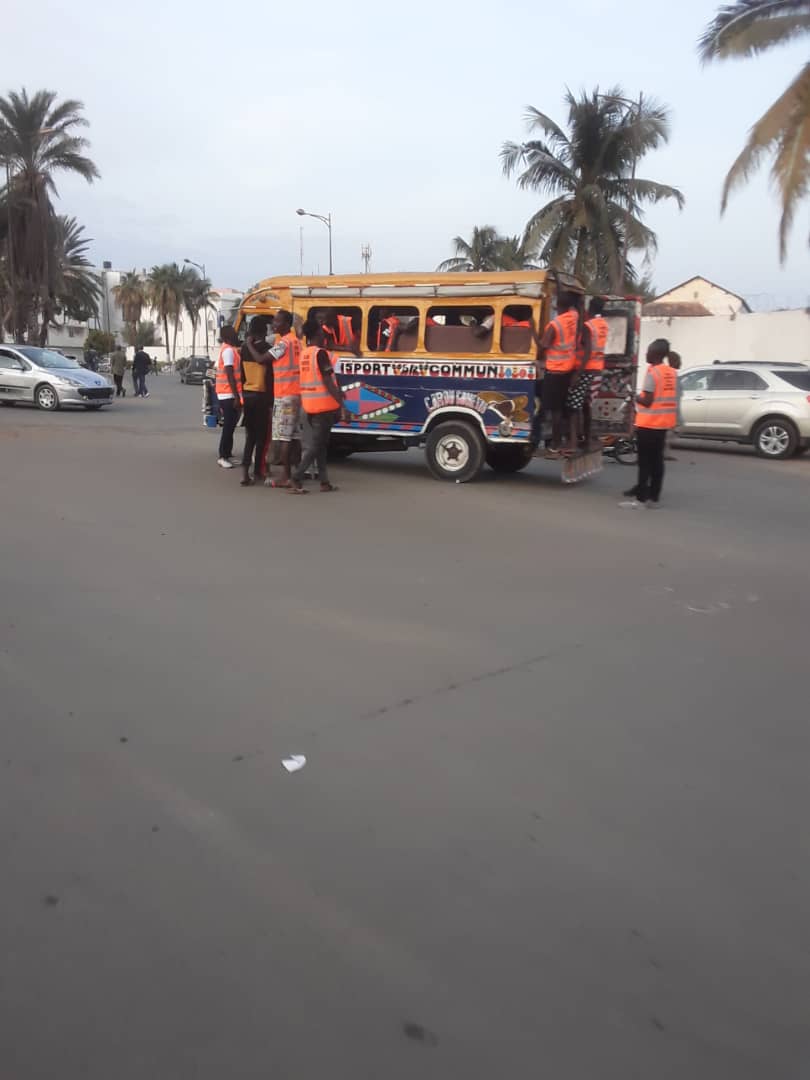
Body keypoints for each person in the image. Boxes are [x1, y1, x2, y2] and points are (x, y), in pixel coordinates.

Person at [289, 319, 346, 494]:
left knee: (320, 446)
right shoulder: (321, 354)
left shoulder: (305, 354)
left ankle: (324, 482)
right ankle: (296, 477)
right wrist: (341, 404)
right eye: (322, 334)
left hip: (309, 406)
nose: (324, 337)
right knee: (316, 446)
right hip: (323, 407)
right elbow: (328, 381)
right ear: (316, 335)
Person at [621, 339, 678, 509]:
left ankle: (640, 500)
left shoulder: (653, 373)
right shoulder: (671, 372)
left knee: (644, 463)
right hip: (663, 424)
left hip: (649, 424)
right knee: (657, 462)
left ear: (656, 354)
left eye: (648, 351)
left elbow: (647, 401)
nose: (646, 354)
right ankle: (654, 498)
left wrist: (633, 396)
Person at [536, 292, 580, 457]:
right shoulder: (573, 317)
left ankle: (554, 442)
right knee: (562, 408)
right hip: (568, 370)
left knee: (553, 410)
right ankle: (562, 439)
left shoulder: (555, 324)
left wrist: (534, 332)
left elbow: (543, 346)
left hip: (554, 371)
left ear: (557, 306)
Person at [566, 297, 609, 447]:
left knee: (573, 406)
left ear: (589, 309)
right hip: (597, 369)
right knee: (586, 406)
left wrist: (577, 374)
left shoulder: (588, 326)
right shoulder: (603, 325)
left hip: (585, 370)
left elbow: (588, 350)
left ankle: (572, 441)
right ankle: (587, 438)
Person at [239, 316, 273, 486]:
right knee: (261, 437)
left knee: (250, 436)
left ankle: (245, 473)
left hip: (248, 395)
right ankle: (258, 472)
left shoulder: (244, 349)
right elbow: (270, 377)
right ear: (264, 331)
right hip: (262, 397)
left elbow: (242, 375)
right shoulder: (267, 348)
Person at [215, 325, 242, 469]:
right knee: (228, 426)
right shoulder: (228, 352)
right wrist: (237, 396)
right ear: (227, 336)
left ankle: (228, 453)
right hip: (228, 393)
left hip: (226, 392)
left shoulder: (229, 350)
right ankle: (222, 456)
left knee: (231, 426)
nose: (236, 335)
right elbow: (230, 374)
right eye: (233, 334)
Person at [665, 351, 682, 461]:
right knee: (669, 432)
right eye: (679, 360)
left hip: (673, 408)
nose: (681, 363)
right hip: (669, 409)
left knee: (671, 432)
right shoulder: (670, 375)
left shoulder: (673, 374)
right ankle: (663, 454)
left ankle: (665, 453)